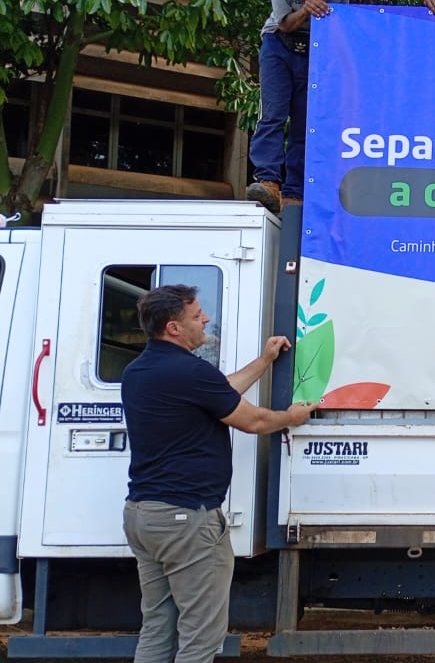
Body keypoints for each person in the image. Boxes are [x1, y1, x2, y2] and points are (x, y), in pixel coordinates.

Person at [121, 284, 318, 663]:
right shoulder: (190, 372)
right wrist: (292, 418)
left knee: (158, 628)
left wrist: (264, 361)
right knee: (201, 637)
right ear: (174, 329)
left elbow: (220, 392)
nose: (205, 319)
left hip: (144, 516)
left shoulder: (139, 370)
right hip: (186, 521)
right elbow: (254, 420)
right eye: (196, 316)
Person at [246, 0, 435, 214]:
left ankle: (294, 193)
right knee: (273, 114)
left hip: (321, 48)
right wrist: (306, 9)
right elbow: (285, 24)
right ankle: (268, 181)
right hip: (279, 43)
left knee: (307, 122)